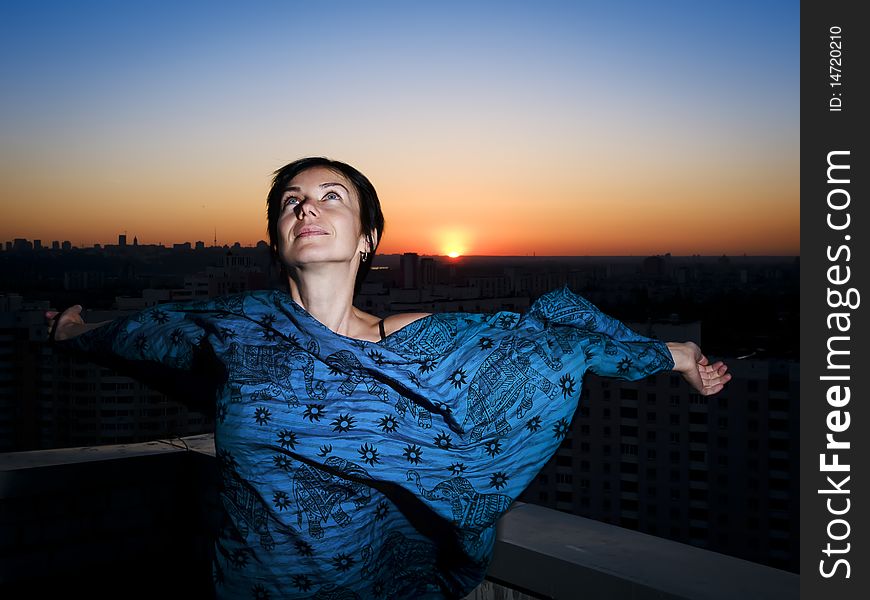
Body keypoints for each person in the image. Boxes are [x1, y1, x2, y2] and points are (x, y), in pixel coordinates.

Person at [47, 157, 730, 599]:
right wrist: (71, 332)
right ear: (275, 238)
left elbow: (548, 344)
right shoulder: (236, 323)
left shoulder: (417, 341)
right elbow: (137, 337)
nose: (305, 208)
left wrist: (674, 356)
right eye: (290, 201)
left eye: (329, 196)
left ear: (370, 237)